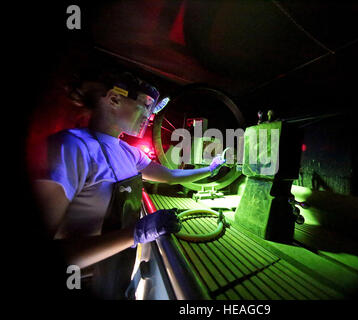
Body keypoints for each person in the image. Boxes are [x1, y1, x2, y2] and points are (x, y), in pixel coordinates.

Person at [32, 70, 225, 299]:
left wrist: (211, 169)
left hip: (116, 279)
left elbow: (171, 175)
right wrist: (136, 233)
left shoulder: (129, 152)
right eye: (146, 105)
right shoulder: (72, 147)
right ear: (114, 99)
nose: (150, 115)